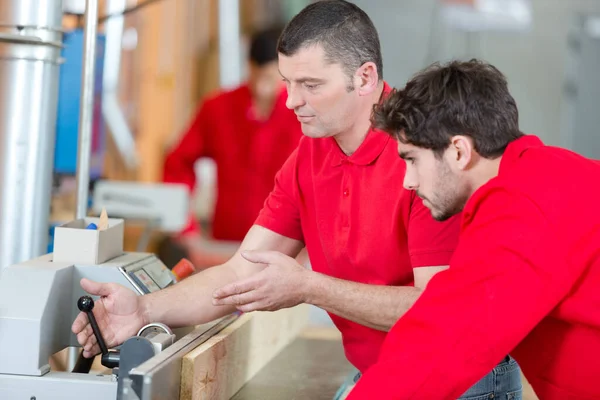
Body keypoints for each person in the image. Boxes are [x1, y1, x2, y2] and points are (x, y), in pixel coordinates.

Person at [72, 2, 520, 398]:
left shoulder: (423, 154)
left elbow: (437, 309)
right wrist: (145, 310)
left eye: (309, 85)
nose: (290, 101)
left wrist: (310, 287)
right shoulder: (310, 154)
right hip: (388, 372)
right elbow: (242, 271)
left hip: (461, 380)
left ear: (364, 77)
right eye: (287, 82)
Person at [347, 59, 600, 400]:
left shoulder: (521, 205)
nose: (408, 181)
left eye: (411, 159)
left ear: (458, 151)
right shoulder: (544, 175)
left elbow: (444, 342)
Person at [160, 26, 302, 268]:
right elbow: (177, 164)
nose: (260, 88)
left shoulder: (303, 115)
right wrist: (185, 226)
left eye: (269, 78)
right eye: (255, 75)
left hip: (287, 248)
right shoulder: (218, 108)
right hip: (224, 246)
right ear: (248, 66)